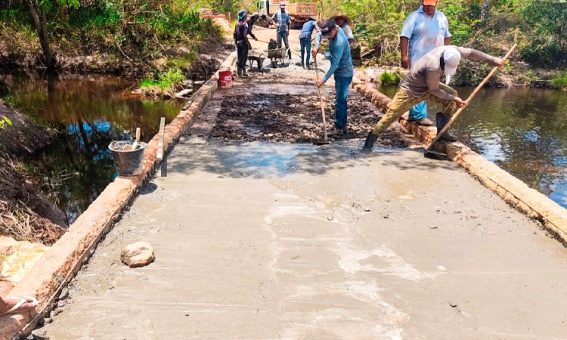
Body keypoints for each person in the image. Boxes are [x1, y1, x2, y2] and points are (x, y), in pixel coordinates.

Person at [362, 46, 504, 151]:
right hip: (410, 91)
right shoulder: (433, 67)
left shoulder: (453, 51)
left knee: (451, 95)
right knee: (391, 116)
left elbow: (473, 53)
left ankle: (443, 132)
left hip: (429, 85)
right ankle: (370, 140)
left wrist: (493, 60)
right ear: (443, 61)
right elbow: (434, 90)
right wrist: (455, 99)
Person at [401, 0, 452, 126]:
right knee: (420, 86)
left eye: (432, 5)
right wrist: (404, 56)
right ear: (423, 4)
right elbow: (404, 36)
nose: (429, 8)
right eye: (427, 5)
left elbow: (446, 36)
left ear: (436, 3)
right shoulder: (414, 17)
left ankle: (441, 123)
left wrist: (447, 55)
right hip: (419, 58)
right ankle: (418, 115)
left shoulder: (441, 17)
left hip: (437, 60)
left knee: (434, 87)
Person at [315, 20, 354, 133]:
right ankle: (343, 125)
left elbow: (335, 65)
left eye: (329, 36)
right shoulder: (333, 28)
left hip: (344, 73)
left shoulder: (339, 43)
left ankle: (339, 127)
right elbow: (318, 34)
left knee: (340, 100)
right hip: (339, 72)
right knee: (342, 100)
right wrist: (316, 47)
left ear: (335, 30)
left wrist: (323, 80)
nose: (327, 38)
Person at [234, 10, 253, 78]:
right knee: (243, 58)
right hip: (243, 43)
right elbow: (245, 35)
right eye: (246, 15)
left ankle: (242, 72)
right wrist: (249, 44)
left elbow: (234, 33)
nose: (246, 16)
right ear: (244, 16)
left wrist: (235, 42)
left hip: (239, 43)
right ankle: (240, 74)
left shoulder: (236, 23)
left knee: (240, 57)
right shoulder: (245, 24)